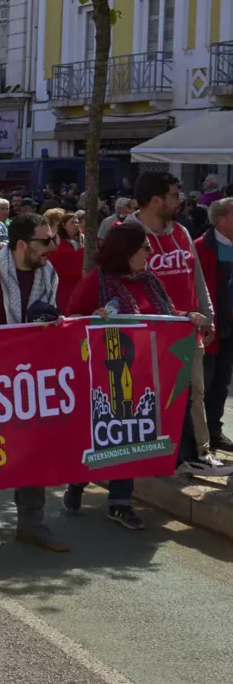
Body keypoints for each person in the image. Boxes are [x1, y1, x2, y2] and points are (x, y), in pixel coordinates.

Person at [64, 223, 228, 527]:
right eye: (145, 248)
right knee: (108, 437)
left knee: (132, 435)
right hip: (109, 374)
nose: (150, 253)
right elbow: (70, 319)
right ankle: (78, 481)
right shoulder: (95, 282)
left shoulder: (150, 280)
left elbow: (165, 312)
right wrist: (92, 317)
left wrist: (187, 316)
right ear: (126, 252)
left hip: (147, 373)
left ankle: (120, 502)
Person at [0, 214, 69, 551]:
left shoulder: (48, 274)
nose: (52, 247)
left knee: (34, 449)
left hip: (34, 380)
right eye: (45, 241)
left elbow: (50, 316)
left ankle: (32, 523)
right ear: (23, 245)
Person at [124, 172, 224, 477]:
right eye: (174, 195)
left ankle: (197, 454)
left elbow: (197, 279)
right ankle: (161, 454)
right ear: (157, 200)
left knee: (193, 391)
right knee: (152, 397)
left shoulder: (180, 231)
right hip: (147, 335)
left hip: (186, 329)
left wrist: (209, 315)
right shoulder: (127, 233)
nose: (179, 200)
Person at [194, 197, 233, 453]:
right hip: (211, 329)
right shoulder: (201, 246)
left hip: (231, 328)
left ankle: (216, 432)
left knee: (221, 383)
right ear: (220, 219)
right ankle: (200, 439)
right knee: (203, 385)